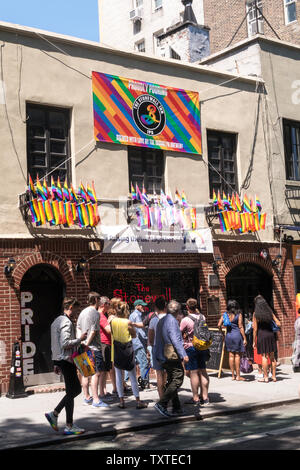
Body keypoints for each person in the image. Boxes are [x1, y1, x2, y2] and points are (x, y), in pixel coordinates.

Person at [45, 297, 87, 435]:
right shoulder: (66, 322)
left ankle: (63, 420)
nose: (76, 312)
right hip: (67, 360)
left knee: (72, 391)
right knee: (75, 391)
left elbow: (55, 344)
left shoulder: (56, 320)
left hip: (62, 360)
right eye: (76, 309)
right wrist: (80, 339)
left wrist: (56, 362)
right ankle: (59, 417)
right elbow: (64, 343)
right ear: (70, 308)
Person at [154, 300, 189, 418]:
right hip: (171, 355)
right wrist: (183, 354)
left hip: (162, 355)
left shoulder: (162, 320)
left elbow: (157, 340)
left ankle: (177, 407)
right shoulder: (172, 321)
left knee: (172, 379)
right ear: (178, 311)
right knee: (178, 378)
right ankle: (162, 404)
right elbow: (176, 339)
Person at [110, 301, 148, 409]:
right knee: (132, 376)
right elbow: (134, 335)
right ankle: (138, 401)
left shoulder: (112, 321)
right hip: (127, 348)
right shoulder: (128, 322)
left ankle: (121, 401)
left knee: (118, 376)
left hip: (117, 349)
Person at [77, 292, 109, 408]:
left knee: (86, 373)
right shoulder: (95, 313)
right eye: (99, 299)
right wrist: (87, 344)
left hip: (82, 346)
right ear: (95, 300)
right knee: (96, 373)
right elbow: (94, 331)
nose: (99, 302)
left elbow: (79, 328)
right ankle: (96, 400)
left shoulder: (82, 312)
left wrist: (81, 342)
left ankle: (86, 397)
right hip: (93, 347)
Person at [180, 298, 210, 405]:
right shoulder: (203, 317)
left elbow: (179, 333)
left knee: (193, 373)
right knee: (203, 371)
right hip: (202, 347)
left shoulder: (185, 320)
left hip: (191, 347)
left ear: (187, 307)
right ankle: (205, 397)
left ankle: (195, 398)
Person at [252, 294, 281, 383]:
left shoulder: (256, 314)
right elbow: (279, 323)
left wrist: (254, 341)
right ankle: (274, 376)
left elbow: (255, 329)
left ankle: (265, 377)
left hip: (261, 336)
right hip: (270, 335)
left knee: (264, 357)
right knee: (272, 357)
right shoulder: (270, 312)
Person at [218, 300, 247, 381]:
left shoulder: (225, 314)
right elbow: (240, 326)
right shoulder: (238, 314)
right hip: (237, 336)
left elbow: (219, 325)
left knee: (231, 355)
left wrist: (222, 334)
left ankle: (233, 376)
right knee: (237, 356)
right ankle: (238, 376)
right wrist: (244, 338)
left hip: (229, 336)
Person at [148, 296, 168, 399]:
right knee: (168, 372)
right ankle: (169, 396)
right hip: (168, 349)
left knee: (159, 373)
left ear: (156, 307)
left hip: (157, 348)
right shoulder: (170, 319)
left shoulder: (153, 321)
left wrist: (152, 345)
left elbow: (150, 338)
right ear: (165, 306)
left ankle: (162, 398)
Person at [98, 296, 116, 401]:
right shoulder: (101, 316)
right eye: (108, 304)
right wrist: (112, 320)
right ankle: (102, 393)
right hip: (104, 344)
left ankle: (104, 391)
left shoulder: (102, 315)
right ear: (104, 304)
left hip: (106, 343)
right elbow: (108, 330)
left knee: (105, 369)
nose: (110, 306)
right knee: (103, 370)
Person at [129, 299, 149, 388]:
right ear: (137, 306)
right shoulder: (136, 315)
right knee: (144, 362)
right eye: (141, 305)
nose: (143, 307)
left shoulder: (134, 315)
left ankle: (125, 381)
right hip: (139, 342)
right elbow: (140, 329)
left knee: (134, 362)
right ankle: (145, 383)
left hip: (136, 342)